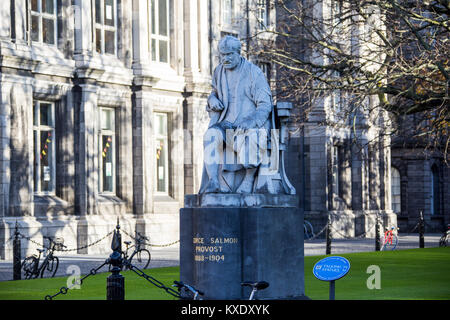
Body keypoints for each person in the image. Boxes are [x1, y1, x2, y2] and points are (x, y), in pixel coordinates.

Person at [199, 36, 274, 194]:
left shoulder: (254, 72)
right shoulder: (218, 71)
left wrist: (250, 122)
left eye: (229, 55)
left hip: (250, 124)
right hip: (226, 123)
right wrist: (212, 99)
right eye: (222, 55)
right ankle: (213, 182)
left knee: (253, 138)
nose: (225, 59)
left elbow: (265, 104)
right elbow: (214, 92)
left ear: (239, 53)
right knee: (210, 136)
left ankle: (248, 179)